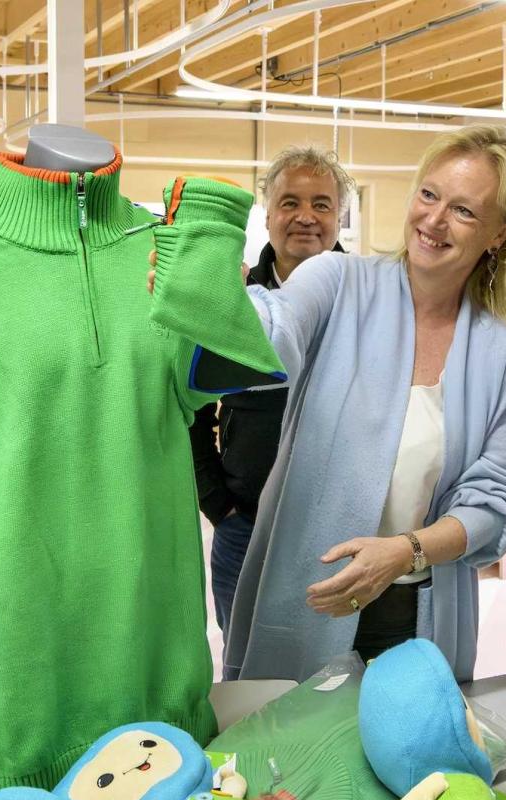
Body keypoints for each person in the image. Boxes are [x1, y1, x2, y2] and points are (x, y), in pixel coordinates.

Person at [222, 125, 506, 682]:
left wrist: (404, 552)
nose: (434, 220)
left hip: (419, 616)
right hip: (310, 595)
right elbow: (276, 332)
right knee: (287, 761)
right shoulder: (337, 281)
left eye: (464, 211)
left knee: (417, 765)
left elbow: (495, 508)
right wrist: (216, 297)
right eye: (428, 194)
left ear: (500, 233)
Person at [190, 145, 353, 632]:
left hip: (339, 531)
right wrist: (219, 503)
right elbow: (194, 410)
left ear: (339, 217)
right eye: (291, 203)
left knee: (335, 675)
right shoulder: (231, 299)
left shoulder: (368, 298)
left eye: (321, 204)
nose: (306, 217)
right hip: (246, 524)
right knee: (248, 678)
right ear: (267, 216)